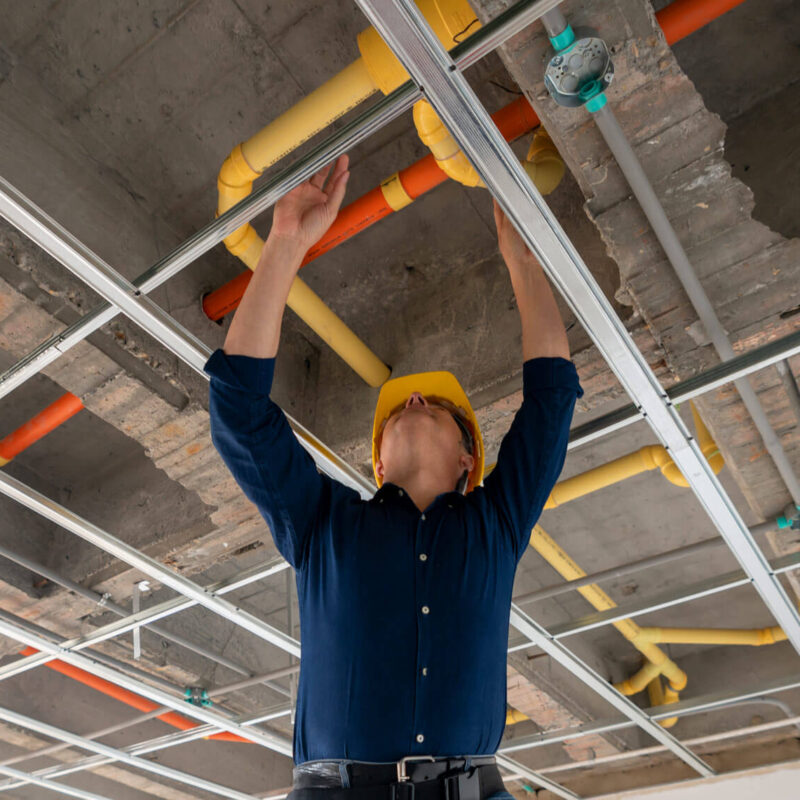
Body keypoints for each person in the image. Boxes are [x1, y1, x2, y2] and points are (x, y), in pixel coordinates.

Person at [205, 154, 582, 800]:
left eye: (433, 407)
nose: (410, 403)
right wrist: (284, 246)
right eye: (403, 410)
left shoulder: (496, 522)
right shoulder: (322, 522)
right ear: (377, 463)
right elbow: (237, 412)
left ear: (470, 461)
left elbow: (549, 409)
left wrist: (523, 260)